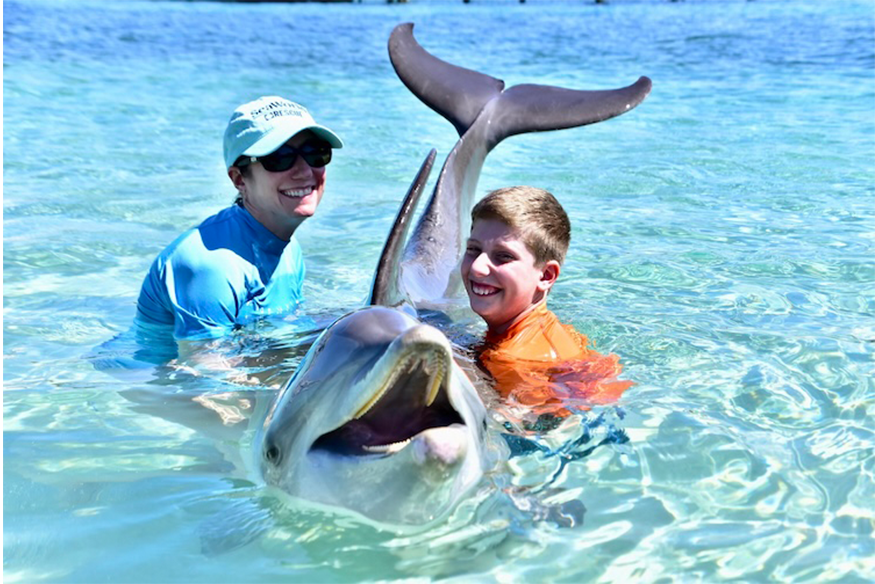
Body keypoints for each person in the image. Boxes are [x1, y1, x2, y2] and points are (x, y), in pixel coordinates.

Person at [135, 96, 343, 340]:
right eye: (279, 158)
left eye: (315, 153)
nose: (305, 171)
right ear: (239, 179)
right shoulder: (213, 264)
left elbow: (285, 330)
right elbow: (203, 371)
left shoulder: (289, 248)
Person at [460, 186, 632, 424]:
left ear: (546, 276)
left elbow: (521, 434)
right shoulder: (536, 334)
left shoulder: (516, 361)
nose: (478, 267)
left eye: (504, 256)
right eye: (473, 249)